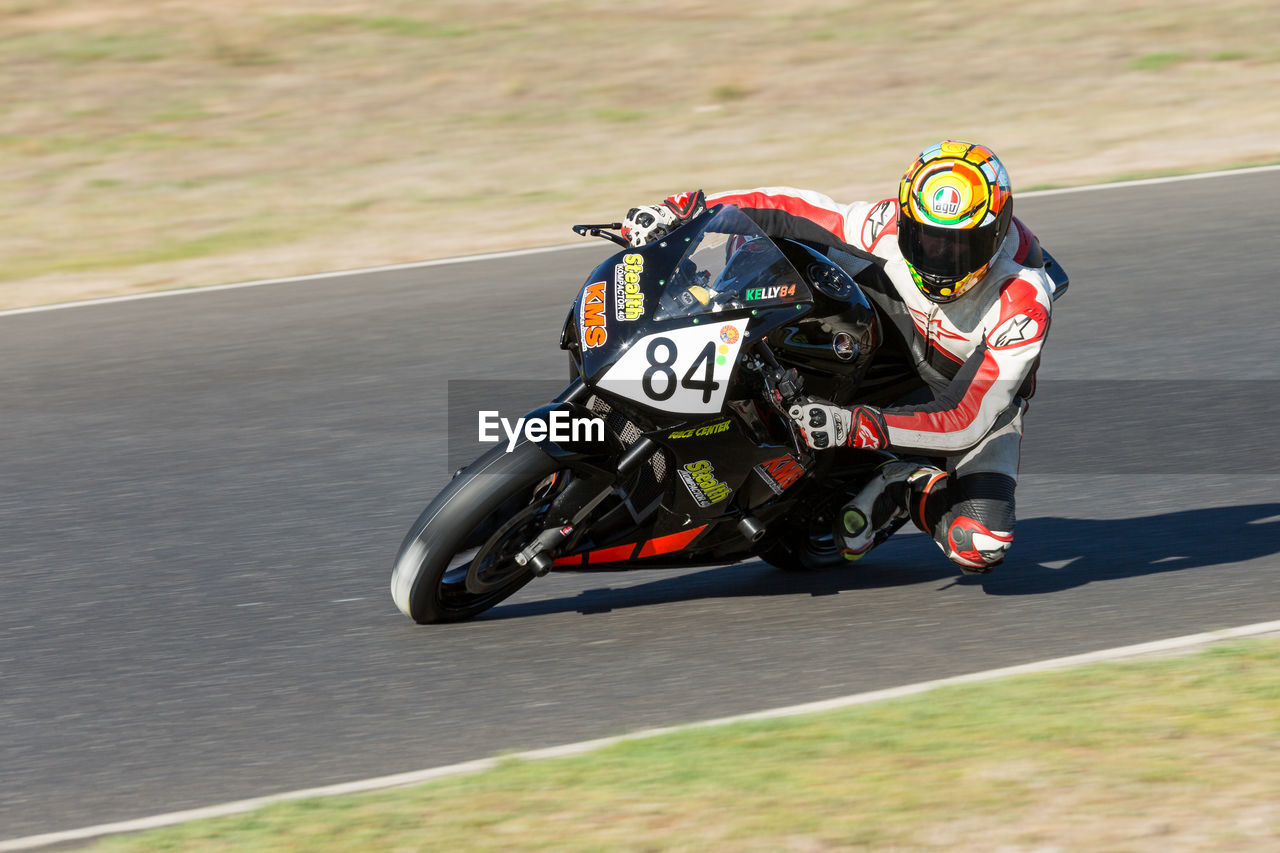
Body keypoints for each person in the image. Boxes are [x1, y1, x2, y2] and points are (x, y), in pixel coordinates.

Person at [619, 141, 1059, 573]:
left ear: (996, 235)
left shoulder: (1022, 300)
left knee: (980, 541)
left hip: (962, 393)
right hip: (889, 337)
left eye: (961, 246)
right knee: (775, 252)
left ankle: (902, 487)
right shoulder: (886, 225)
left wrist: (854, 426)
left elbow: (963, 418)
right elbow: (790, 209)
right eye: (924, 239)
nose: (939, 259)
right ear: (907, 221)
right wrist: (685, 212)